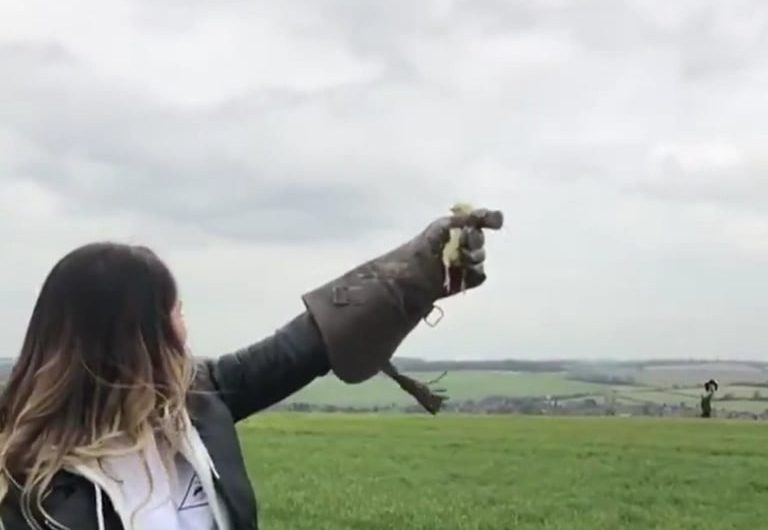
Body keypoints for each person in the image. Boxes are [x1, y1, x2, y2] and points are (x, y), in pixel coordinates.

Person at [0, 208, 502, 530]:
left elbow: (300, 347)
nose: (186, 328)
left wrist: (413, 274)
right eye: (175, 312)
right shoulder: (27, 487)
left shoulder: (195, 407)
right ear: (139, 338)